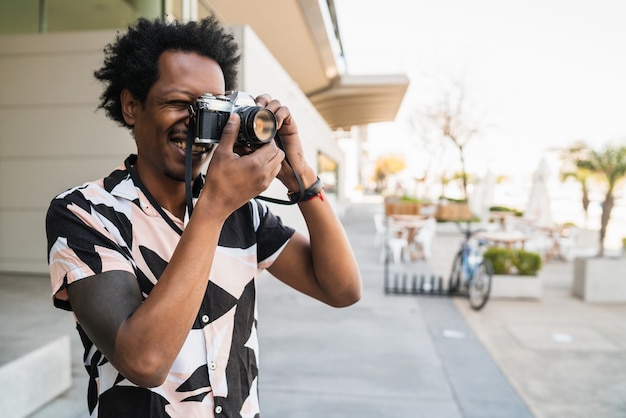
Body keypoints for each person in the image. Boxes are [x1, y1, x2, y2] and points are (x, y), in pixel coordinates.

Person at [46, 17, 361, 418]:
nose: (197, 123)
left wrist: (300, 174)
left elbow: (342, 289)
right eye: (178, 103)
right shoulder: (85, 212)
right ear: (131, 105)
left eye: (211, 108)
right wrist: (212, 207)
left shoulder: (242, 211)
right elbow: (143, 362)